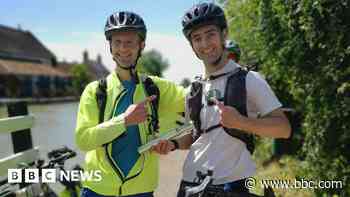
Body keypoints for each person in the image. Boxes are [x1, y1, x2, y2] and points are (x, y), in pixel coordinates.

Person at [151, 3, 291, 196]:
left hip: (233, 186)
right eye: (197, 38)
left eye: (210, 34)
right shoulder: (194, 88)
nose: (205, 44)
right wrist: (173, 144)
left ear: (224, 34)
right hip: (190, 185)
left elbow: (284, 128)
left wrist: (241, 122)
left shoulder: (249, 80)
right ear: (192, 45)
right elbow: (194, 135)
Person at [75, 11, 186, 197]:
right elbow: (83, 140)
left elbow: (195, 97)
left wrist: (172, 142)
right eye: (117, 42)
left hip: (141, 190)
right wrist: (124, 121)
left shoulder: (155, 87)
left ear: (141, 45)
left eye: (129, 43)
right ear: (110, 46)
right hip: (97, 190)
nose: (123, 49)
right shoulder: (95, 91)